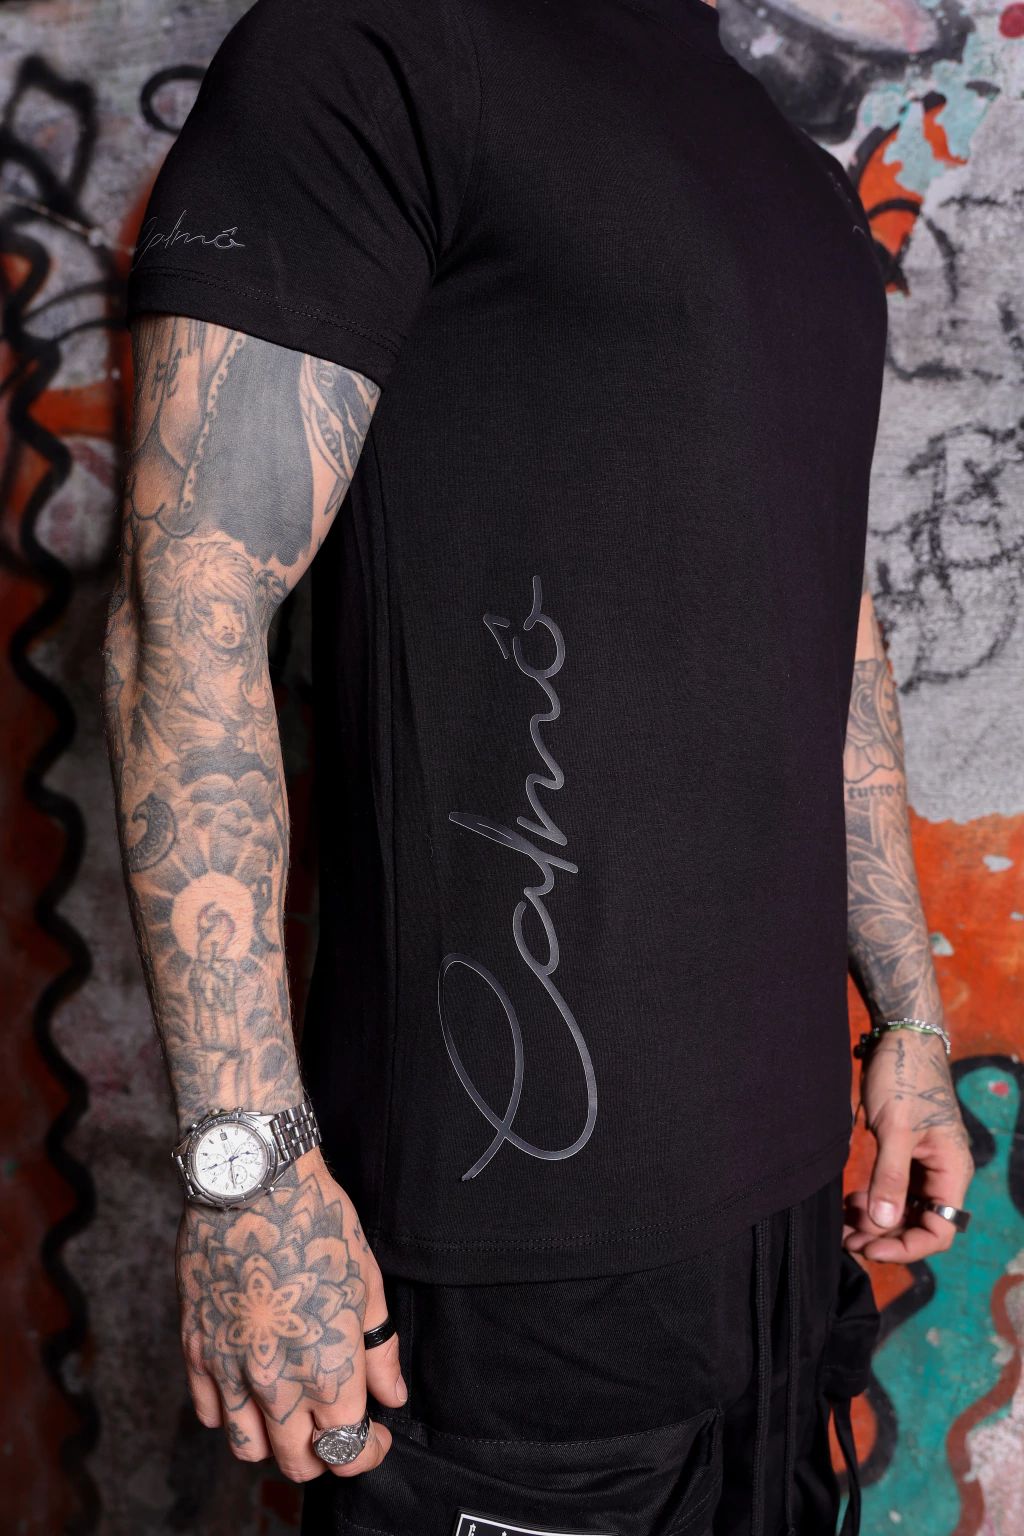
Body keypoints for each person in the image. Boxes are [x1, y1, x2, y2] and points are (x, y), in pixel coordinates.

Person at [106, 0, 976, 1530]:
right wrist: (250, 1175)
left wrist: (907, 1018)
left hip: (785, 1228)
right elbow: (189, 605)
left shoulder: (793, 172)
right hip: (510, 1250)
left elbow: (826, 636)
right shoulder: (373, 49)